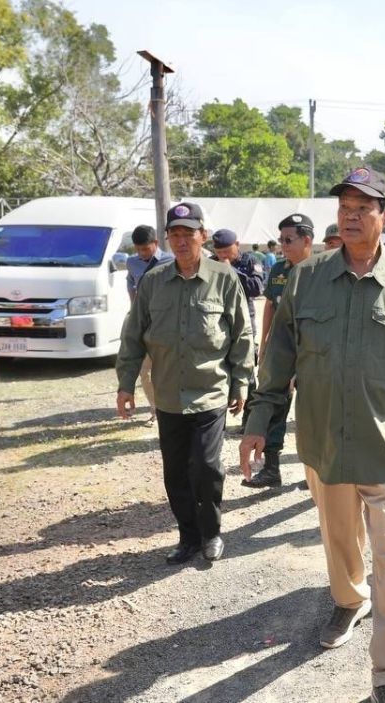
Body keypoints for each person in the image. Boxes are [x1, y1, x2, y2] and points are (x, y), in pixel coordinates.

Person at [240, 168, 385, 703]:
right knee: (339, 539)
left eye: (363, 208)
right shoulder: (306, 277)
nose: (351, 216)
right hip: (324, 441)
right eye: (345, 208)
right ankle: (349, 599)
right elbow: (279, 356)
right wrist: (259, 422)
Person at [115, 201, 254, 564]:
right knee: (175, 472)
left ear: (202, 236)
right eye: (174, 234)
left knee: (206, 467)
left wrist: (241, 383)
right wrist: (126, 384)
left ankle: (211, 533)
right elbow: (133, 334)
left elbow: (242, 334)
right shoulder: (153, 281)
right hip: (168, 396)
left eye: (188, 234)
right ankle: (188, 537)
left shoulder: (224, 278)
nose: (180, 241)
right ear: (167, 239)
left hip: (210, 391)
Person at [243, 212, 316, 489]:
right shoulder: (279, 271)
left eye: (289, 240)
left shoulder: (322, 272)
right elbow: (271, 307)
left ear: (307, 240)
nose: (283, 246)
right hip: (282, 349)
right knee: (273, 406)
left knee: (314, 415)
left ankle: (317, 472)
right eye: (281, 240)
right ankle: (271, 469)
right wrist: (265, 344)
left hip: (312, 351)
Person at [127, 225, 173, 426]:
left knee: (168, 371)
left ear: (156, 243)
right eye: (137, 249)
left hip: (167, 324)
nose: (141, 254)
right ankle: (156, 411)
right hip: (144, 324)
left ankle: (171, 409)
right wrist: (134, 312)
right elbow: (131, 285)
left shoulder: (171, 261)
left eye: (145, 249)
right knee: (145, 371)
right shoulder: (132, 262)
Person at [212, 229, 267, 345]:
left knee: (247, 350)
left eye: (226, 251)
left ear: (237, 245)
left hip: (243, 318)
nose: (223, 255)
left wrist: (231, 271)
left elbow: (257, 289)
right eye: (219, 252)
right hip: (218, 319)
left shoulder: (250, 261)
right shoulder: (211, 262)